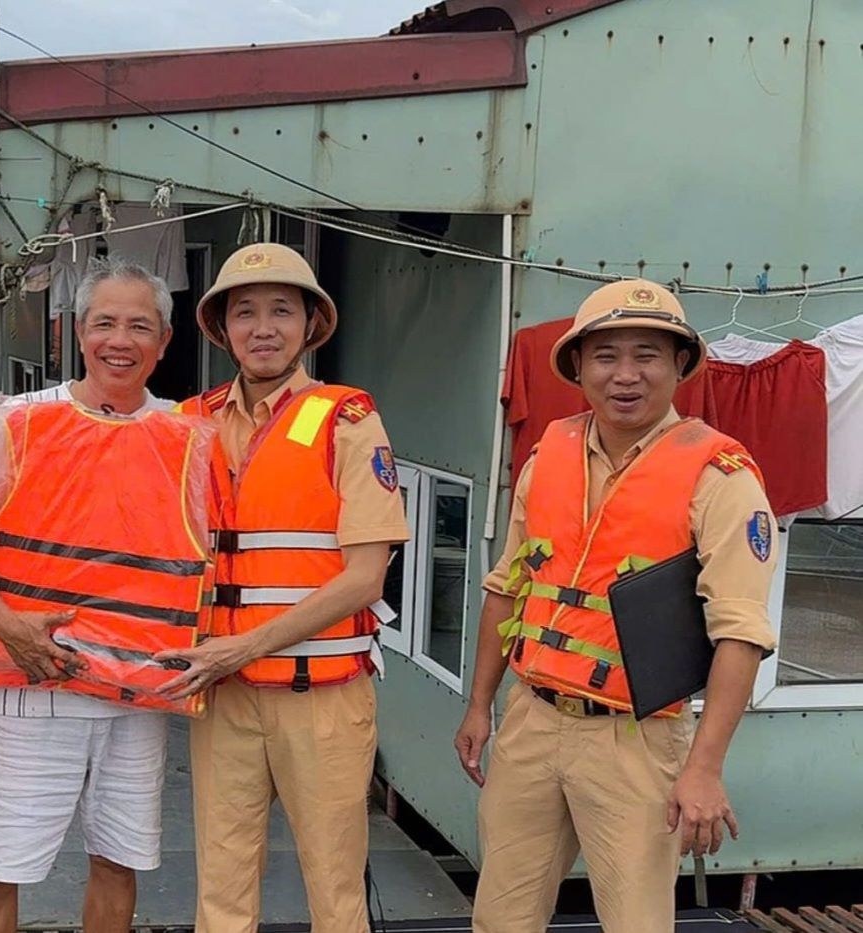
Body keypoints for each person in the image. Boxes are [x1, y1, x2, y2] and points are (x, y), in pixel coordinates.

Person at [453, 279, 779, 933]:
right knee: (499, 917)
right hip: (531, 721)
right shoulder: (549, 451)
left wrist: (704, 768)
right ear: (578, 366)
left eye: (647, 354)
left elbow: (740, 632)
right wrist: (479, 703)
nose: (625, 374)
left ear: (680, 365)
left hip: (637, 738)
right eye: (605, 355)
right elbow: (506, 586)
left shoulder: (721, 474)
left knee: (636, 922)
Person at [161, 243, 409, 933]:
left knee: (335, 888)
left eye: (281, 311)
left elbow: (366, 576)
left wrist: (237, 648)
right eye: (245, 312)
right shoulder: (187, 423)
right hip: (224, 696)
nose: (262, 327)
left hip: (320, 695)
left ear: (309, 326)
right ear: (222, 328)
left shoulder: (347, 420)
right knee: (221, 886)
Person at [0, 257, 176, 933]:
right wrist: (7, 625)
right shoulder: (21, 421)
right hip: (31, 681)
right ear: (77, 331)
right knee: (1, 865)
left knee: (118, 859)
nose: (119, 340)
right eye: (104, 323)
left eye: (138, 325)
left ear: (164, 340)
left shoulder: (185, 435)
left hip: (135, 692)